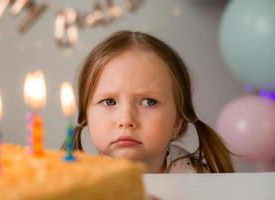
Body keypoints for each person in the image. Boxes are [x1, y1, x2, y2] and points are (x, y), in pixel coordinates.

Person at [63, 30, 234, 173]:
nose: (126, 120)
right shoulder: (76, 184)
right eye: (109, 102)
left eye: (149, 102)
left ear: (177, 122)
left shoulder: (200, 182)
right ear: (87, 116)